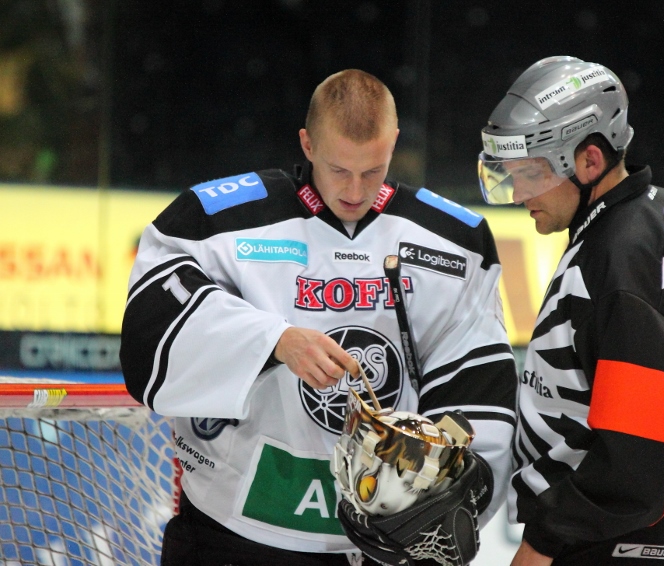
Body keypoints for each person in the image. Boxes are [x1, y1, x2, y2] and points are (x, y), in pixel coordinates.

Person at [120, 68, 518, 566]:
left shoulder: (457, 243)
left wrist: (450, 490)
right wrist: (274, 340)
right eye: (338, 169)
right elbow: (148, 335)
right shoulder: (213, 220)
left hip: (383, 542)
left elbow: (481, 385)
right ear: (307, 144)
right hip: (232, 536)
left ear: (393, 143)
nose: (355, 191)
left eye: (372, 171)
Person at [477, 56, 664, 565]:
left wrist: (542, 542)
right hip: (646, 535)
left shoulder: (618, 255)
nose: (519, 193)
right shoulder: (659, 211)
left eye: (532, 172)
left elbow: (632, 457)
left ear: (590, 161)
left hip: (623, 541)